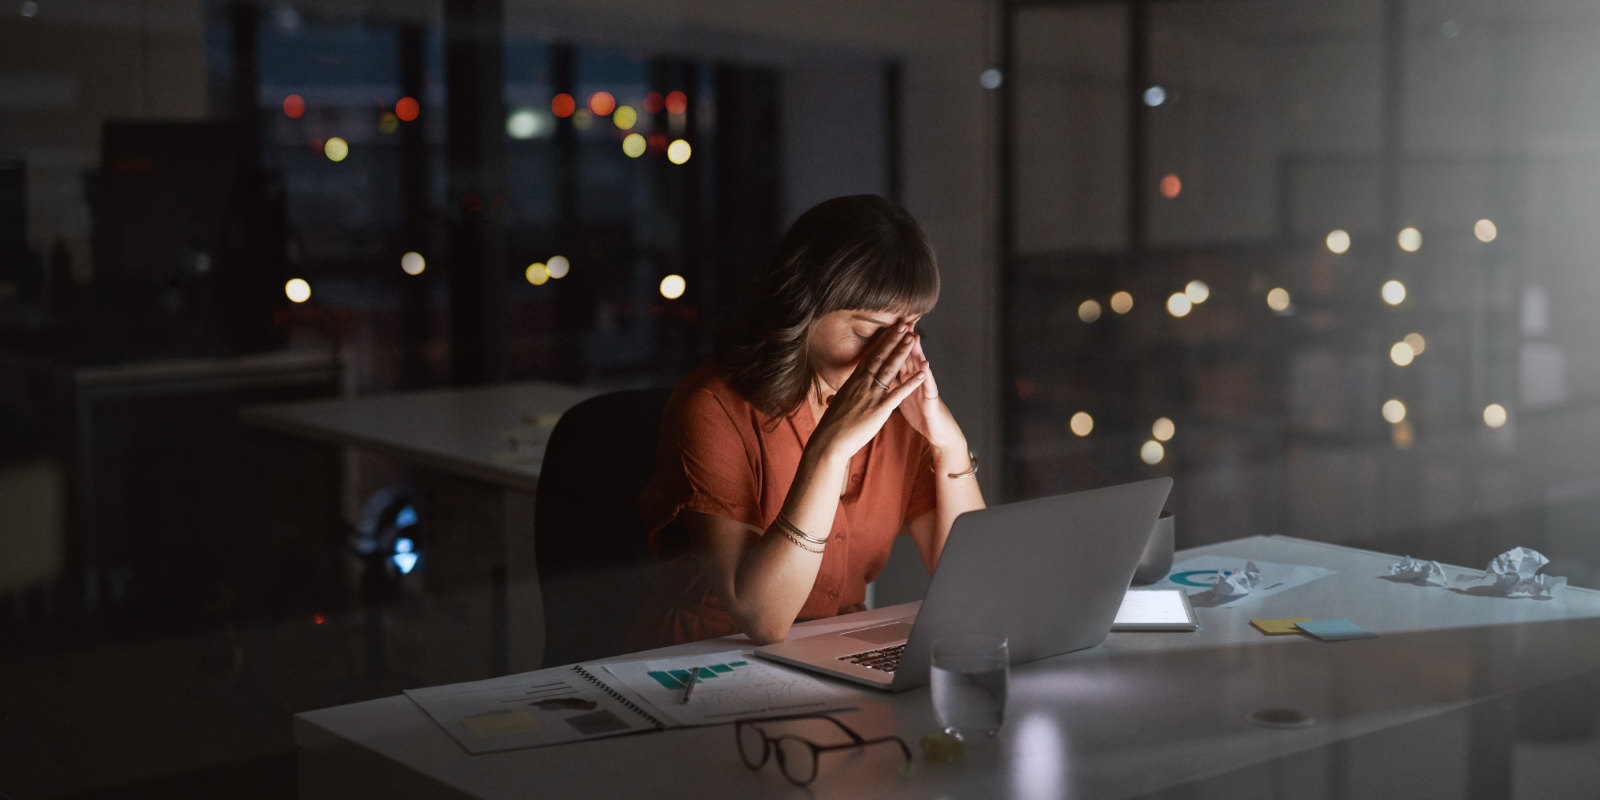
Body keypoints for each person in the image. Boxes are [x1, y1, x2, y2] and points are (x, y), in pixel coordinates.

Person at [630, 194, 985, 648]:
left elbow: (972, 582)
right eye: (868, 331)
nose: (889, 353)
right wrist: (831, 448)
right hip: (703, 664)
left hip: (830, 652)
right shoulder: (712, 408)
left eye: (908, 328)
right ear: (804, 305)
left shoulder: (899, 415)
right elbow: (764, 619)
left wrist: (948, 443)